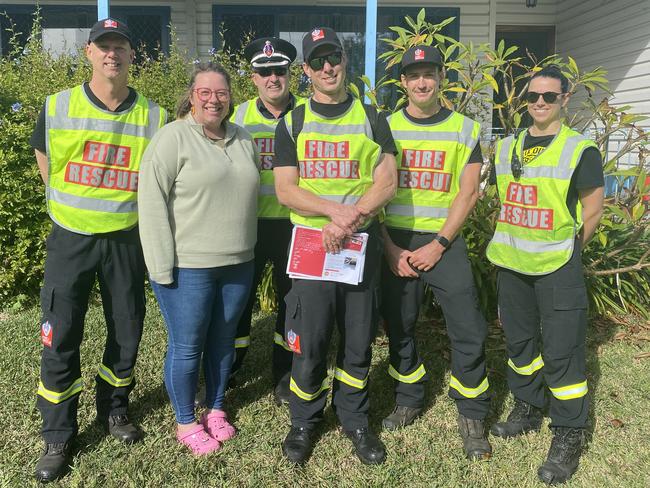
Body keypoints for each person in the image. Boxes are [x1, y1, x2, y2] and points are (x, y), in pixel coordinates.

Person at [29, 18, 166, 482]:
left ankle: (115, 410)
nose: (112, 54)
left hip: (127, 239)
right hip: (71, 236)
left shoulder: (154, 114)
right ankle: (58, 434)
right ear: (88, 52)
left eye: (120, 46)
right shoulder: (57, 105)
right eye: (103, 46)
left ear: (132, 55)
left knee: (127, 331)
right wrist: (66, 202)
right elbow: (43, 156)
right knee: (60, 333)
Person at [273, 27, 397, 465]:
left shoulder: (371, 117)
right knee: (310, 338)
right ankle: (304, 420)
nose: (328, 67)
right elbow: (286, 189)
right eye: (319, 61)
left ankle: (354, 418)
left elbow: (388, 181)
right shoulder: (292, 122)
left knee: (358, 337)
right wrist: (333, 213)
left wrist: (351, 220)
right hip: (311, 245)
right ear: (306, 70)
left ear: (345, 62)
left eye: (335, 58)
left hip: (357, 244)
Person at [486, 65, 604, 485]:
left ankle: (569, 432)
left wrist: (568, 251)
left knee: (562, 352)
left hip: (557, 267)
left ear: (564, 99)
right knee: (519, 344)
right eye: (533, 97)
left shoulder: (579, 150)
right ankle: (527, 408)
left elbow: (592, 210)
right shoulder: (507, 147)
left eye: (549, 97)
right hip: (513, 264)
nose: (539, 103)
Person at [138, 62, 260, 456]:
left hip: (238, 261)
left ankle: (217, 407)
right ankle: (186, 420)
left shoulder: (243, 138)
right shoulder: (171, 139)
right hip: (188, 266)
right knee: (188, 345)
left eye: (221, 92)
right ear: (191, 96)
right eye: (205, 92)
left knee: (224, 340)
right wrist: (160, 267)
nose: (214, 99)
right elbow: (152, 203)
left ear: (231, 97)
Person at [380, 45, 492, 460]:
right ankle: (409, 395)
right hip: (396, 240)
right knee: (399, 323)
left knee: (468, 327)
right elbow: (372, 191)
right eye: (414, 75)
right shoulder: (386, 126)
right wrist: (389, 247)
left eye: (429, 74)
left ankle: (473, 411)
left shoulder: (465, 128)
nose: (422, 82)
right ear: (404, 82)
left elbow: (467, 193)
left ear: (441, 78)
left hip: (444, 241)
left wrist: (440, 243)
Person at [229, 37, 304, 404]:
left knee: (293, 302)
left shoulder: (309, 113)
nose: (272, 78)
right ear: (254, 78)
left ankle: (285, 372)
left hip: (296, 224)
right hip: (250, 223)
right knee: (238, 299)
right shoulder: (238, 116)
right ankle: (229, 369)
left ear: (290, 74)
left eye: (279, 71)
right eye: (264, 72)